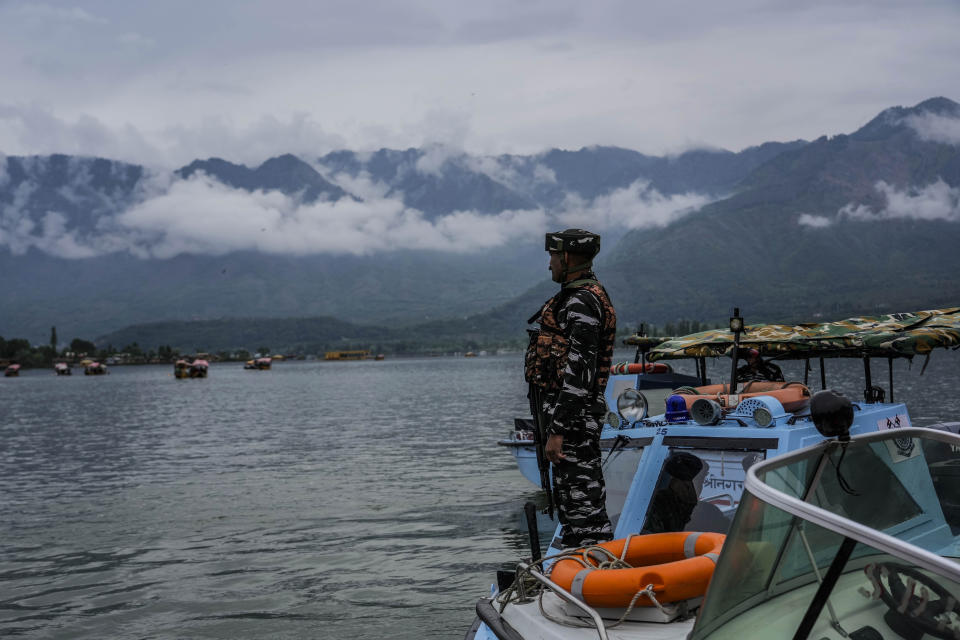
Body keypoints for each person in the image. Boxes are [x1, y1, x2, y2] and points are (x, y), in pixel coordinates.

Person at [525, 228, 616, 548]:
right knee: (572, 509)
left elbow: (580, 373)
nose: (549, 264)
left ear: (566, 257)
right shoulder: (579, 296)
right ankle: (578, 572)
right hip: (570, 420)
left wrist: (558, 429)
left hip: (573, 423)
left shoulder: (581, 301)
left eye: (552, 256)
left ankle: (600, 576)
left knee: (585, 509)